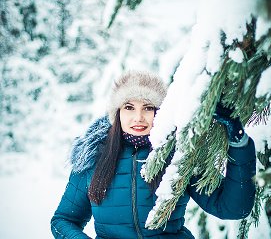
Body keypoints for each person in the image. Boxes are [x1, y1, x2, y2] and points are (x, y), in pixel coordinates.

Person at [51, 70, 256, 239]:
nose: (138, 117)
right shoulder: (93, 157)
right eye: (129, 107)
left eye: (148, 108)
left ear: (160, 112)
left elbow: (233, 208)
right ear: (117, 112)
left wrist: (239, 144)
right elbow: (63, 220)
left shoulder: (179, 154)